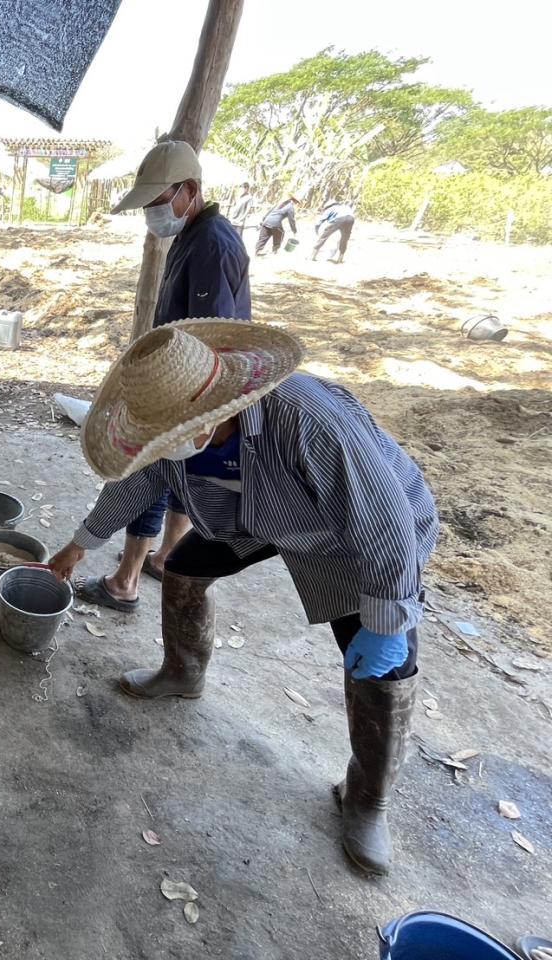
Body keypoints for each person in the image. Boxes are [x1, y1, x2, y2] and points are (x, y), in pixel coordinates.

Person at [49, 319, 439, 875]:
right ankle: (183, 672)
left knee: (384, 662)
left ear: (222, 404)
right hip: (253, 517)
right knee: (182, 568)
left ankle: (367, 798)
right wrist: (79, 545)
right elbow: (135, 483)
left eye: (182, 432)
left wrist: (388, 621)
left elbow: (387, 523)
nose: (169, 446)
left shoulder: (308, 419)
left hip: (356, 533)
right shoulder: (168, 429)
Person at [85, 140, 250, 613]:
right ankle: (166, 556)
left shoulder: (213, 244)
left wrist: (184, 410)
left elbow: (207, 338)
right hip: (187, 384)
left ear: (189, 191)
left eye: (158, 203)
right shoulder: (194, 234)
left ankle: (126, 580)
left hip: (192, 387)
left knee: (150, 468)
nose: (152, 215)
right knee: (180, 473)